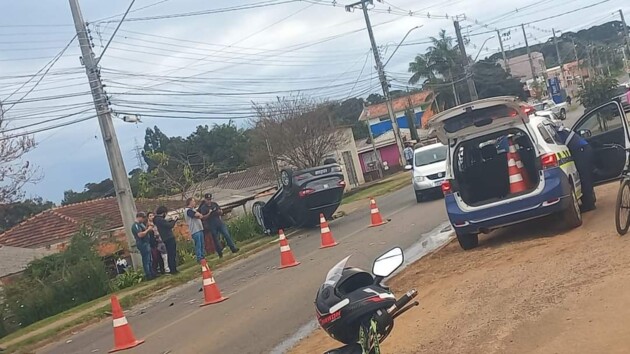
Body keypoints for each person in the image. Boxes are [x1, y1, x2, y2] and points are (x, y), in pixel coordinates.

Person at [554, 123, 596, 212]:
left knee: (584, 177)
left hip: (581, 151)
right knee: (585, 176)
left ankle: (589, 204)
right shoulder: (560, 129)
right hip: (583, 149)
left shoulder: (557, 133)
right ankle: (590, 200)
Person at [202, 193, 239, 259]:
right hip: (211, 224)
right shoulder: (203, 208)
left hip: (219, 222)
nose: (209, 201)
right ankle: (220, 253)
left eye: (210, 199)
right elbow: (203, 218)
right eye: (208, 200)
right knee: (216, 239)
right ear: (205, 200)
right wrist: (209, 213)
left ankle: (233, 248)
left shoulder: (214, 204)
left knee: (226, 234)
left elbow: (221, 211)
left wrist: (219, 212)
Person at [154, 206, 178, 274]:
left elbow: (166, 224)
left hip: (165, 238)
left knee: (171, 254)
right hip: (169, 237)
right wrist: (174, 220)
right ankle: (173, 269)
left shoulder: (158, 220)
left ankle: (173, 268)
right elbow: (169, 225)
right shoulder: (159, 219)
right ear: (163, 213)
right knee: (171, 254)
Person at [131, 212, 155, 280]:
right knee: (146, 259)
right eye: (142, 218)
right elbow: (140, 234)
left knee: (150, 259)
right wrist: (148, 230)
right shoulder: (135, 225)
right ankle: (148, 274)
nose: (143, 219)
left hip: (146, 242)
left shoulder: (141, 224)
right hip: (142, 243)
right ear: (139, 217)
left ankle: (152, 272)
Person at [185, 198, 206, 263]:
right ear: (190, 202)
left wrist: (199, 215)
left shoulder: (193, 209)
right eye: (193, 201)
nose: (195, 202)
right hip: (194, 230)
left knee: (202, 244)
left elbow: (200, 216)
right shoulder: (188, 210)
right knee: (198, 244)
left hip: (199, 228)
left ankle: (203, 257)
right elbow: (196, 215)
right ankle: (199, 258)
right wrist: (199, 215)